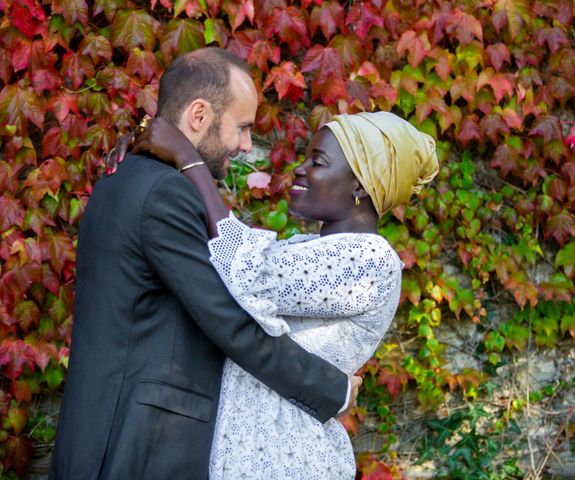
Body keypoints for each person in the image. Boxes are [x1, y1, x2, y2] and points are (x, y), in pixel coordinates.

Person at [49, 47, 361, 480]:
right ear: (199, 115)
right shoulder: (165, 193)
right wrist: (334, 388)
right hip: (137, 447)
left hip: (105, 433)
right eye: (243, 127)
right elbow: (227, 320)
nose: (247, 145)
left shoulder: (126, 175)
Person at [107, 109, 439, 478]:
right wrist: (153, 161)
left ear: (360, 186)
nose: (299, 168)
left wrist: (188, 159)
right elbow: (221, 258)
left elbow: (249, 271)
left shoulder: (370, 259)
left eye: (318, 161)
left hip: (285, 454)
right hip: (249, 443)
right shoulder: (305, 247)